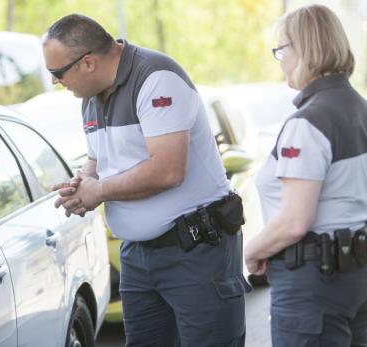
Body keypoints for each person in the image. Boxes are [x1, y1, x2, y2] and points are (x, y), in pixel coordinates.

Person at [43, 14, 250, 346]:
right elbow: (98, 162)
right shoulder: (90, 100)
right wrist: (81, 184)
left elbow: (168, 170)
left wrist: (99, 191)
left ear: (89, 63)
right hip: (138, 257)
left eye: (57, 72)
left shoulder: (155, 78)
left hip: (194, 252)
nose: (55, 81)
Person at [244, 5, 367, 346]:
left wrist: (252, 250)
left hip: (313, 283)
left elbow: (295, 222)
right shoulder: (359, 107)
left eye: (282, 49)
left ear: (305, 49)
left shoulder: (309, 122)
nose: (280, 59)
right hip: (354, 277)